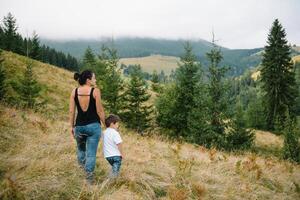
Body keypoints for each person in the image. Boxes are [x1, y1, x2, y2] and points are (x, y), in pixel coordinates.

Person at [69, 70, 105, 184]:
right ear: (88, 80)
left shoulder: (74, 91)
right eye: (94, 78)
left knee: (81, 151)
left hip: (79, 126)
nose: (95, 80)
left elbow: (71, 111)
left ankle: (80, 176)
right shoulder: (95, 91)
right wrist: (106, 125)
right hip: (94, 127)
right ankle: (88, 180)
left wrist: (71, 126)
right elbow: (99, 111)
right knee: (91, 154)